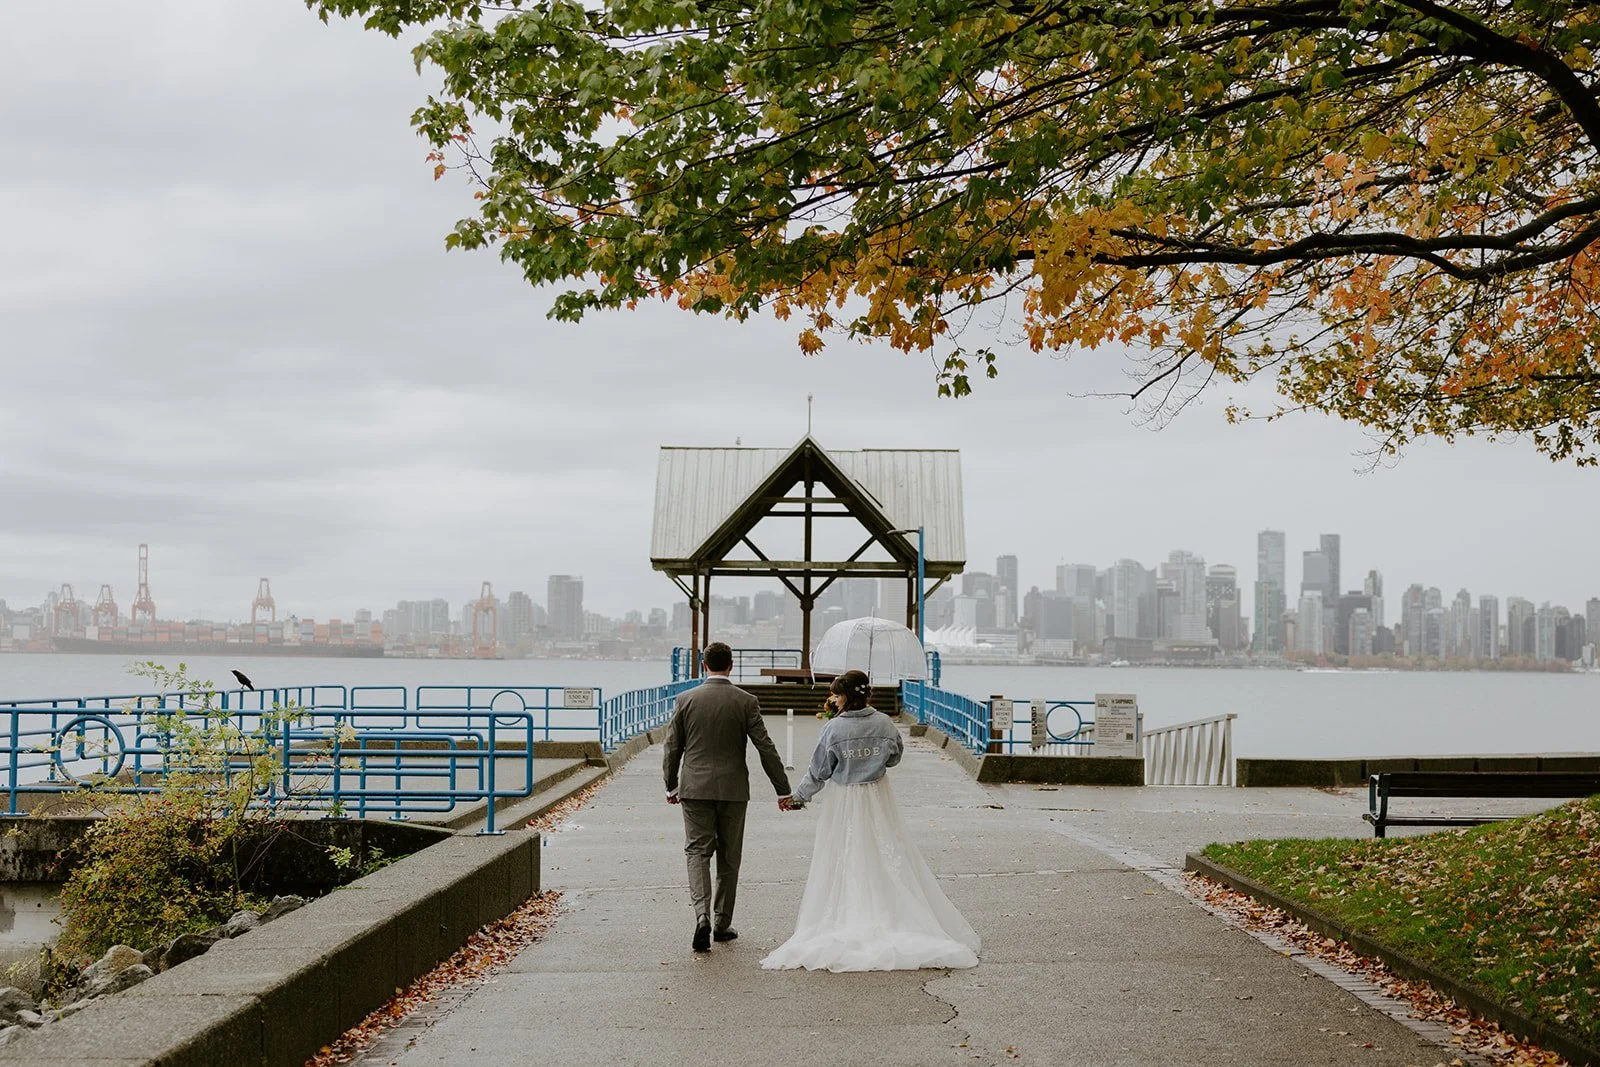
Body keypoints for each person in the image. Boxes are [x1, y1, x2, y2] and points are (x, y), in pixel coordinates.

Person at [761, 669, 980, 972]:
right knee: (886, 850)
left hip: (846, 800)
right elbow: (895, 758)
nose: (833, 699)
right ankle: (892, 912)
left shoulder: (834, 729)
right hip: (878, 795)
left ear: (847, 696)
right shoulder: (885, 723)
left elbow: (819, 771)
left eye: (836, 694)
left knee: (846, 854)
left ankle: (852, 913)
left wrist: (798, 797)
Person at [663, 641, 795, 953]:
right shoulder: (746, 701)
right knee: (729, 857)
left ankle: (701, 917)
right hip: (734, 789)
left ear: (703, 666)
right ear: (731, 666)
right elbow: (765, 747)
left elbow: (672, 747)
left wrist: (671, 785)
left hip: (694, 787)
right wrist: (782, 789)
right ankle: (722, 924)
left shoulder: (685, 699)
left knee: (697, 852)